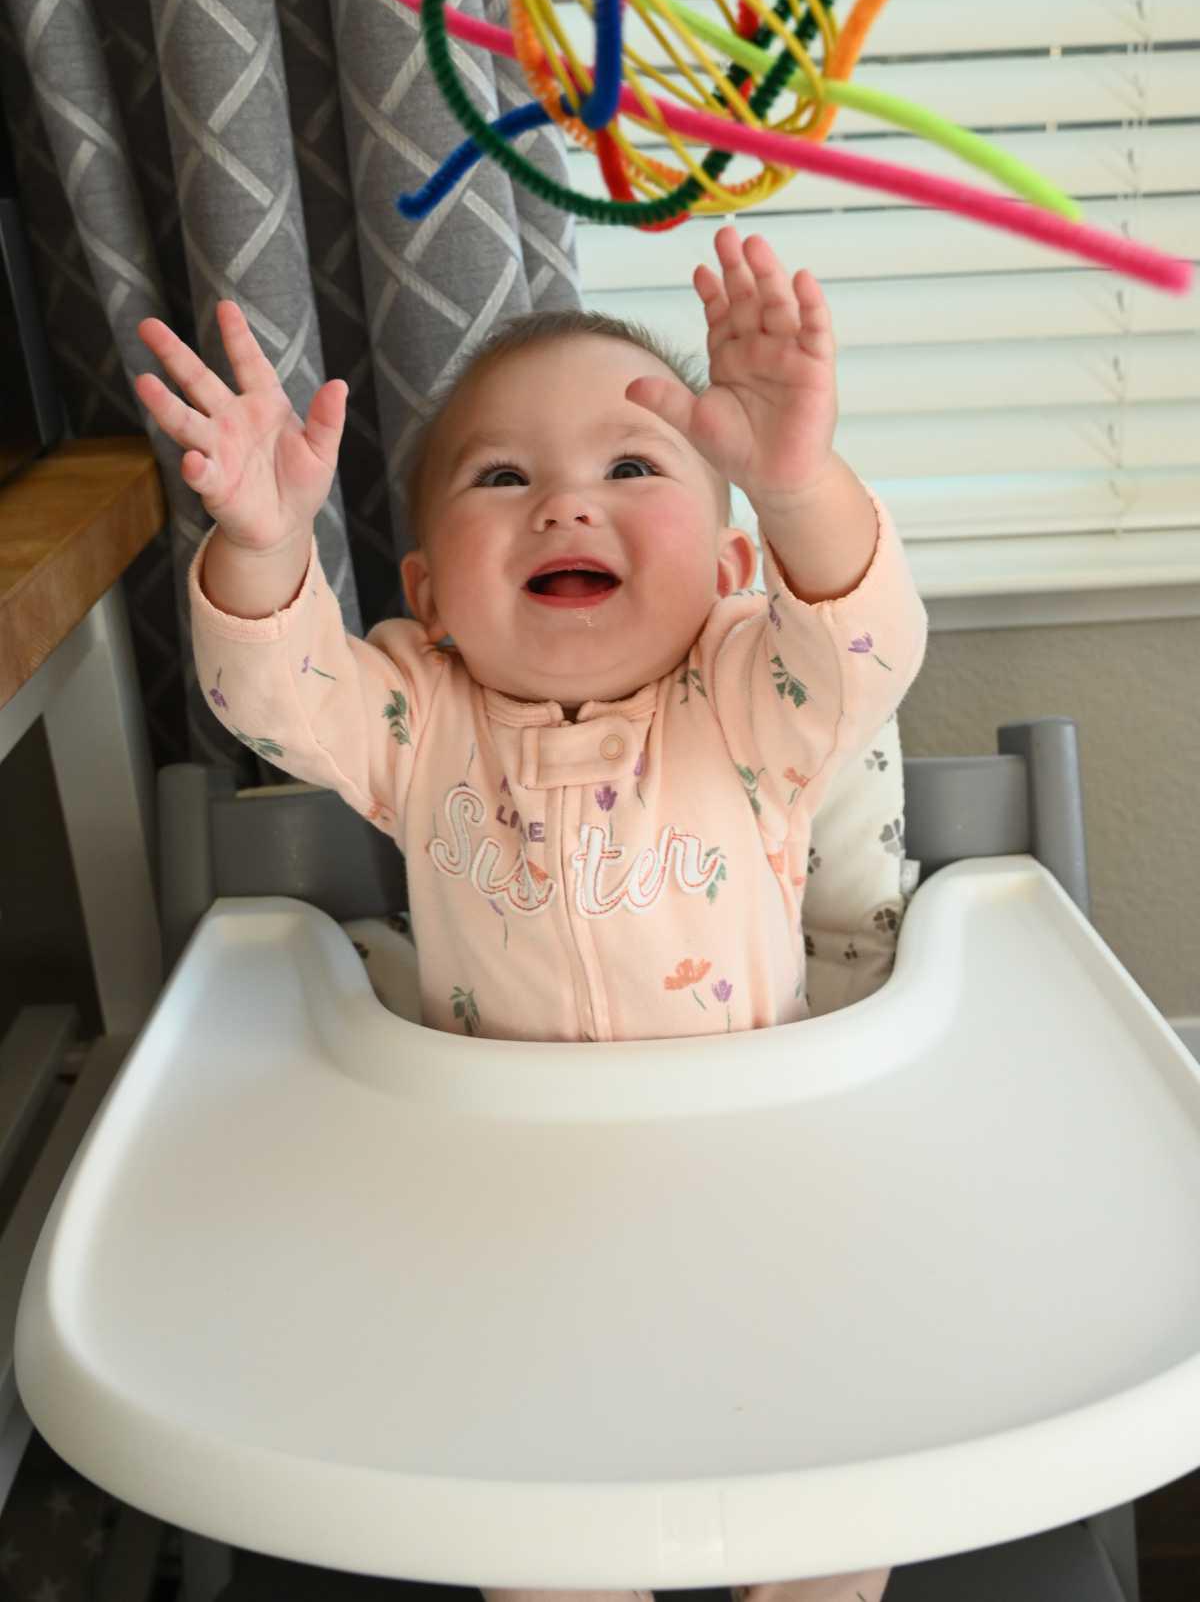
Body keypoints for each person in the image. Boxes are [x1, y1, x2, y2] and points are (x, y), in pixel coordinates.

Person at [137, 225, 927, 1602]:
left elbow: (866, 646)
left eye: (634, 466)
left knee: (826, 1516)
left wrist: (797, 492)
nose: (567, 504)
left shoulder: (748, 707)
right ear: (429, 596)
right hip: (507, 1238)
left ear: (735, 575)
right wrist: (263, 547)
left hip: (761, 1217)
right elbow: (275, 694)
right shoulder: (415, 720)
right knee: (540, 1541)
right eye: (504, 477)